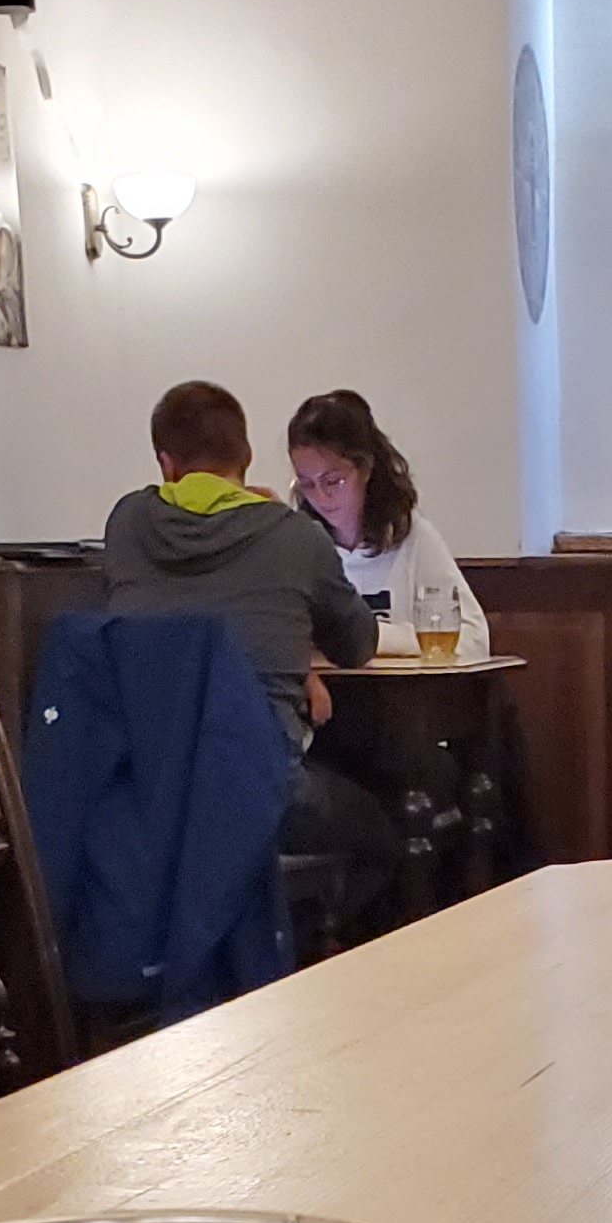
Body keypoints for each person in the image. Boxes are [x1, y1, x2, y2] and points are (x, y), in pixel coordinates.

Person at [100, 379, 399, 933]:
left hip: (145, 793)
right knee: (382, 836)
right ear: (248, 455)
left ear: (165, 463)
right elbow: (358, 644)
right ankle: (305, 955)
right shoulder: (295, 537)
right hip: (263, 793)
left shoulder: (126, 524)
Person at [286, 392, 489, 653]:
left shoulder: (412, 538)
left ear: (366, 468)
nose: (321, 497)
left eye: (333, 481)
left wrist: (374, 636)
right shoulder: (301, 545)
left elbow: (474, 639)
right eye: (306, 484)